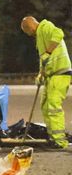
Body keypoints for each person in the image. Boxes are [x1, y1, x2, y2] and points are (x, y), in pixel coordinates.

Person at [21, 16, 71, 149]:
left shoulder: (45, 26)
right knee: (45, 106)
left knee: (53, 107)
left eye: (26, 31)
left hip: (60, 73)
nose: (27, 34)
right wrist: (40, 75)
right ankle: (52, 137)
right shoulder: (39, 37)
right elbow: (44, 60)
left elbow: (59, 33)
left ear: (29, 26)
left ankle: (60, 141)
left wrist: (48, 52)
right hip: (51, 76)